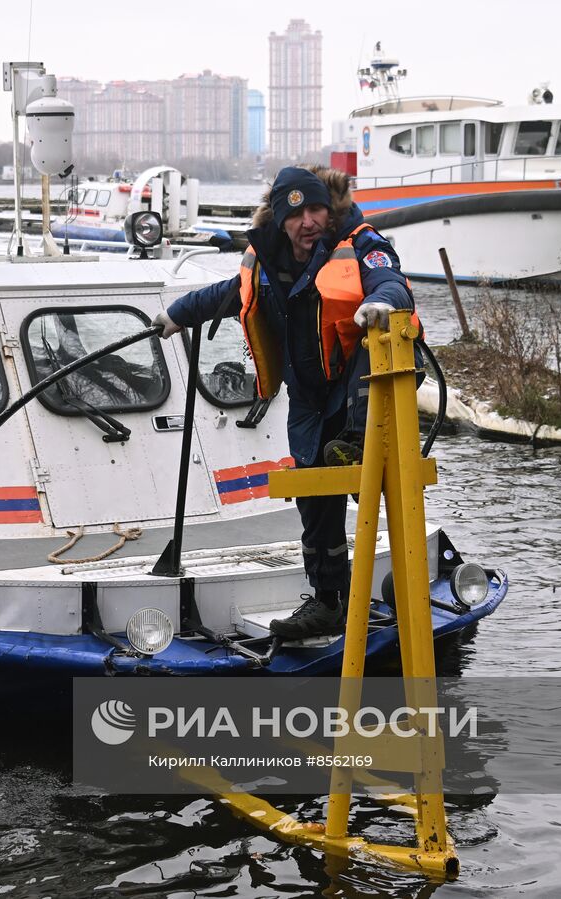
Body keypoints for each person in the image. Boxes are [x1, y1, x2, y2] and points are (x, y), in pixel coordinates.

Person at [153, 165, 415, 640]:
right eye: (296, 214)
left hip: (358, 390)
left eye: (316, 209)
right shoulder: (267, 261)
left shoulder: (360, 245)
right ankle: (328, 601)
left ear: (329, 211)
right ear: (279, 220)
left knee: (372, 480)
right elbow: (229, 294)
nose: (307, 222)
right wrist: (176, 314)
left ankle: (361, 453)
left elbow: (390, 280)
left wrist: (383, 305)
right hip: (308, 403)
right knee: (316, 504)